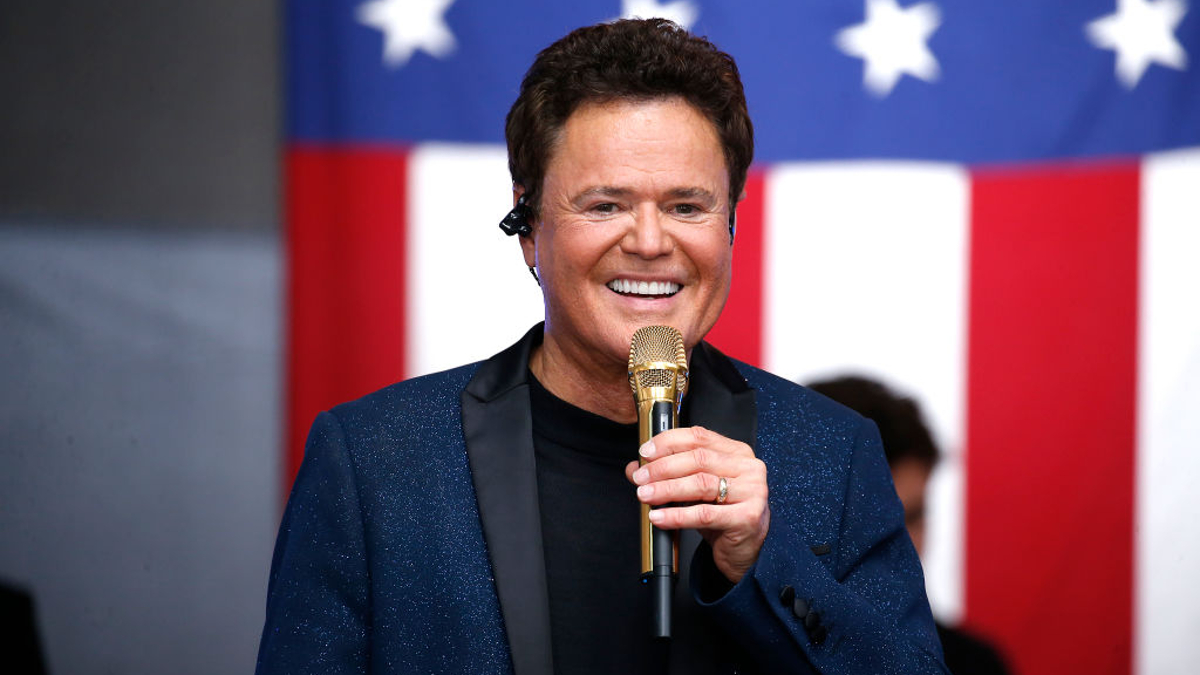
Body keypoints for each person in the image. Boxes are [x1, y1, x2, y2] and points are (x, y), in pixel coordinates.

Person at [257, 19, 947, 675]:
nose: (650, 242)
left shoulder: (834, 454)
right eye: (605, 205)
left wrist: (764, 558)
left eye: (686, 206)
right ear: (529, 228)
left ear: (730, 224)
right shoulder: (375, 459)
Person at [807, 375, 1012, 675]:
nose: (901, 547)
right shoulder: (732, 656)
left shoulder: (972, 665)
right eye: (873, 524)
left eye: (914, 517)